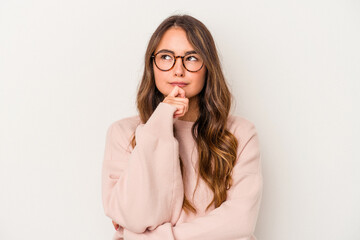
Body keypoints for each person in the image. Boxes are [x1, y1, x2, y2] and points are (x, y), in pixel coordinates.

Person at [101, 14, 263, 240]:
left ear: (208, 67)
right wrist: (159, 123)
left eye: (192, 58)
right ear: (152, 65)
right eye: (166, 57)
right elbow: (134, 215)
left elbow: (240, 222)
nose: (178, 70)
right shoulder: (123, 133)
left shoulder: (240, 133)